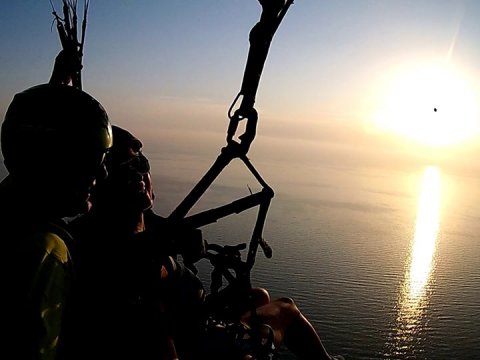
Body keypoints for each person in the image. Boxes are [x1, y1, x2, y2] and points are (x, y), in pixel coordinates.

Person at [66, 125, 344, 360]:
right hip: (194, 340)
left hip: (192, 321)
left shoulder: (144, 225)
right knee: (286, 309)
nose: (139, 174)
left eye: (142, 163)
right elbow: (156, 325)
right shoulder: (121, 253)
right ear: (98, 182)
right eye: (123, 169)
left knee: (258, 296)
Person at [0, 83, 113, 360]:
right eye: (90, 159)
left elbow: (33, 144)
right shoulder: (45, 249)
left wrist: (59, 85)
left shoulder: (10, 212)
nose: (103, 173)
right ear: (53, 163)